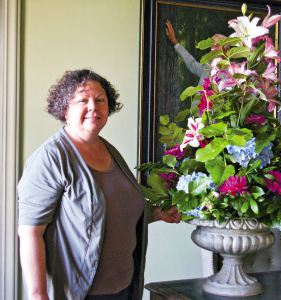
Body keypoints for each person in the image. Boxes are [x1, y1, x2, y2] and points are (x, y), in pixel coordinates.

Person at [17, 69, 181, 300]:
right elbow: (30, 232)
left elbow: (114, 210)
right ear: (65, 109)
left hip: (124, 288)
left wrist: (156, 213)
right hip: (79, 293)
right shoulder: (50, 158)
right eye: (83, 100)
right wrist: (38, 294)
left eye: (100, 100)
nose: (93, 106)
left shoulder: (109, 150)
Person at [165, 20, 225, 86]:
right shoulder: (208, 68)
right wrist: (174, 42)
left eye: (216, 46)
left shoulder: (229, 74)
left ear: (225, 50)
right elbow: (192, 64)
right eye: (211, 46)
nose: (212, 49)